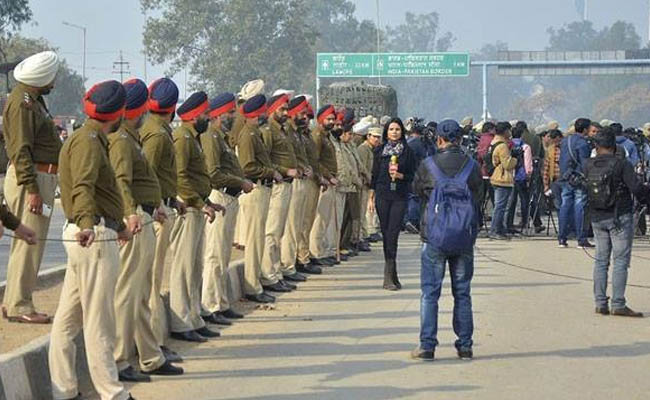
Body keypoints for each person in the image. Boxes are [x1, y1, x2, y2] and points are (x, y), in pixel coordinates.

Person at [49, 80, 135, 400]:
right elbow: (82, 188)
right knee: (99, 321)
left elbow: (96, 193)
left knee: (69, 319)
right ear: (120, 112)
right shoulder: (88, 142)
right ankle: (112, 393)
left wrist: (119, 226)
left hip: (93, 231)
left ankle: (65, 390)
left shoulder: (88, 137)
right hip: (92, 237)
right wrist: (88, 224)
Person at [109, 79, 183, 381]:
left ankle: (149, 355)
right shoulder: (123, 140)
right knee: (128, 293)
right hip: (136, 219)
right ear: (136, 108)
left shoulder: (132, 137)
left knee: (138, 293)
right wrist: (129, 213)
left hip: (147, 214)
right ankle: (119, 358)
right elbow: (121, 181)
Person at [411, 119, 481, 361]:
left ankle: (427, 345)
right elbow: (478, 195)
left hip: (434, 237)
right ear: (460, 139)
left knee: (430, 293)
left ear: (439, 139)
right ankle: (465, 345)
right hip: (463, 238)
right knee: (462, 293)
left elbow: (417, 192)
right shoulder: (471, 165)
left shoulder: (427, 165)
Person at [3, 51, 61, 324]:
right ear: (42, 78)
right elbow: (21, 150)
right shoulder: (24, 104)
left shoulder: (32, 100)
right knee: (30, 244)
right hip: (33, 180)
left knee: (25, 244)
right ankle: (20, 305)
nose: (54, 82)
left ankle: (13, 301)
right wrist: (34, 189)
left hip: (39, 178)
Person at [169, 91, 222, 342]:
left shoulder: (194, 137)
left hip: (198, 207)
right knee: (183, 267)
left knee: (195, 267)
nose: (208, 118)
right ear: (193, 116)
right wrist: (200, 203)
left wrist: (208, 201)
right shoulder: (182, 138)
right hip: (188, 209)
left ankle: (193, 315)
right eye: (205, 114)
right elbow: (180, 177)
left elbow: (197, 176)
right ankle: (181, 322)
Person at [584, 127, 650, 317]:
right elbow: (636, 189)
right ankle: (618, 303)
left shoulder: (588, 164)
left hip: (596, 217)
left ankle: (600, 302)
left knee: (601, 260)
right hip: (619, 216)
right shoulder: (622, 164)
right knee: (620, 261)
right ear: (614, 145)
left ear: (596, 146)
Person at [139, 77, 183, 360]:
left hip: (162, 207)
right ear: (172, 107)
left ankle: (153, 341)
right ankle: (153, 341)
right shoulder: (156, 135)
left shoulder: (159, 130)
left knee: (153, 279)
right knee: (152, 281)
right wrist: (157, 204)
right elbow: (149, 176)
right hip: (155, 213)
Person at [201, 92, 252, 325]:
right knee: (214, 254)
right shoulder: (211, 136)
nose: (233, 116)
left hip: (229, 197)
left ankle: (221, 302)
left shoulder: (220, 136)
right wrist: (239, 181)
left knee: (222, 254)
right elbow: (213, 173)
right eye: (230, 113)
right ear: (218, 114)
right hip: (219, 194)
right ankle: (212, 304)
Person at [237, 94, 283, 304]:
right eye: (264, 111)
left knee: (258, 240)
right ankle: (252, 286)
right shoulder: (247, 135)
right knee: (254, 242)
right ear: (257, 113)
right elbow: (248, 167)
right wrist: (270, 172)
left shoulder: (254, 133)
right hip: (255, 190)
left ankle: (255, 282)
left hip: (262, 190)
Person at [260, 94, 301, 293]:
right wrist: (285, 171)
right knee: (272, 231)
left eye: (287, 109)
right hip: (277, 185)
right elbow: (265, 160)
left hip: (286, 185)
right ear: (272, 109)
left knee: (280, 231)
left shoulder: (282, 130)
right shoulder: (268, 130)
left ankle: (276, 273)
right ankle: (269, 275)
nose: (286, 113)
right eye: (282, 109)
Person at [371, 117, 417, 291]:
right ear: (386, 132)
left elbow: (413, 175)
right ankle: (392, 272)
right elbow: (374, 175)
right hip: (382, 195)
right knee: (385, 233)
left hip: (399, 195)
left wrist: (401, 176)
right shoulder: (380, 151)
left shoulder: (408, 152)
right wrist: (371, 194)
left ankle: (388, 273)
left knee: (393, 233)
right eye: (391, 129)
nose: (394, 132)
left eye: (397, 129)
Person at [283, 96, 322, 275]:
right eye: (302, 114)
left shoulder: (299, 133)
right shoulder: (288, 132)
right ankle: (290, 265)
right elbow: (288, 157)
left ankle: (300, 258)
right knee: (292, 227)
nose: (305, 118)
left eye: (307, 115)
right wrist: (300, 167)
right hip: (296, 180)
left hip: (305, 179)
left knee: (302, 224)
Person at [309, 105, 339, 266]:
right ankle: (315, 252)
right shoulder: (317, 136)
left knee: (325, 219)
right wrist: (326, 176)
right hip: (323, 182)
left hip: (330, 181)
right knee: (319, 219)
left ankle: (320, 249)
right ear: (320, 120)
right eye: (329, 119)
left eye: (333, 119)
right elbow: (315, 161)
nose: (332, 122)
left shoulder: (327, 136)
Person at [558, 118, 593, 248]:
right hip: (578, 177)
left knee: (565, 205)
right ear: (585, 129)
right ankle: (581, 238)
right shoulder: (583, 143)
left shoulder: (565, 140)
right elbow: (584, 163)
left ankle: (562, 238)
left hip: (565, 176)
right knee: (580, 206)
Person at [489, 122, 517, 240]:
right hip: (503, 178)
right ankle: (495, 230)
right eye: (509, 130)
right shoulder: (503, 146)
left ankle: (499, 229)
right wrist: (515, 158)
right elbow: (507, 164)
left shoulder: (494, 142)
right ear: (505, 131)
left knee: (499, 206)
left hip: (496, 177)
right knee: (500, 207)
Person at [505, 123, 533, 233]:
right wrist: (528, 174)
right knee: (524, 200)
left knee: (511, 201)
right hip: (521, 177)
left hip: (510, 175)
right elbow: (528, 163)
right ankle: (524, 221)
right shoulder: (525, 147)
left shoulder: (508, 145)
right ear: (521, 135)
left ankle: (509, 222)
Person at [358, 126, 382, 243]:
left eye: (379, 137)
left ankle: (368, 232)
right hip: (364, 184)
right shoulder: (363, 149)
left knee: (370, 210)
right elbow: (362, 167)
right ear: (368, 136)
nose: (377, 140)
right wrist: (369, 179)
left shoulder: (373, 150)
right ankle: (364, 234)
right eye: (374, 137)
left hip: (371, 183)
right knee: (365, 210)